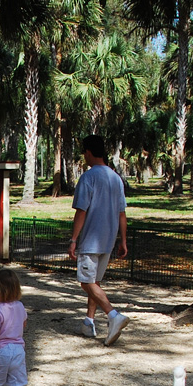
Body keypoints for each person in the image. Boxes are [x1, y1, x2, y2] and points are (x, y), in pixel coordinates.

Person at [68, 134, 129, 346]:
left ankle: (113, 315)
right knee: (95, 282)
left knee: (86, 282)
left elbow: (81, 211)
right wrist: (123, 240)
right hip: (109, 239)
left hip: (91, 239)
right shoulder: (116, 178)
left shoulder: (88, 177)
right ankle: (89, 321)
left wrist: (74, 239)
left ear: (88, 152)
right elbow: (122, 213)